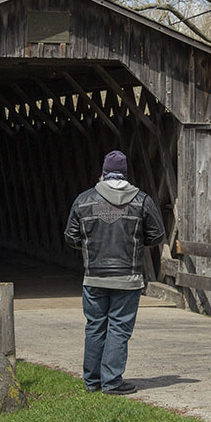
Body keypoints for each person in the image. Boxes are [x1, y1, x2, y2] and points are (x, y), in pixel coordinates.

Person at [64, 150, 165, 394]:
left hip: (95, 275)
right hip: (127, 277)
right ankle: (112, 381)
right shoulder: (141, 200)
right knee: (119, 328)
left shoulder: (84, 199)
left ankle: (92, 381)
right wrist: (135, 243)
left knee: (95, 326)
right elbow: (157, 234)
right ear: (125, 173)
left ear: (104, 172)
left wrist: (90, 245)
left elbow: (70, 237)